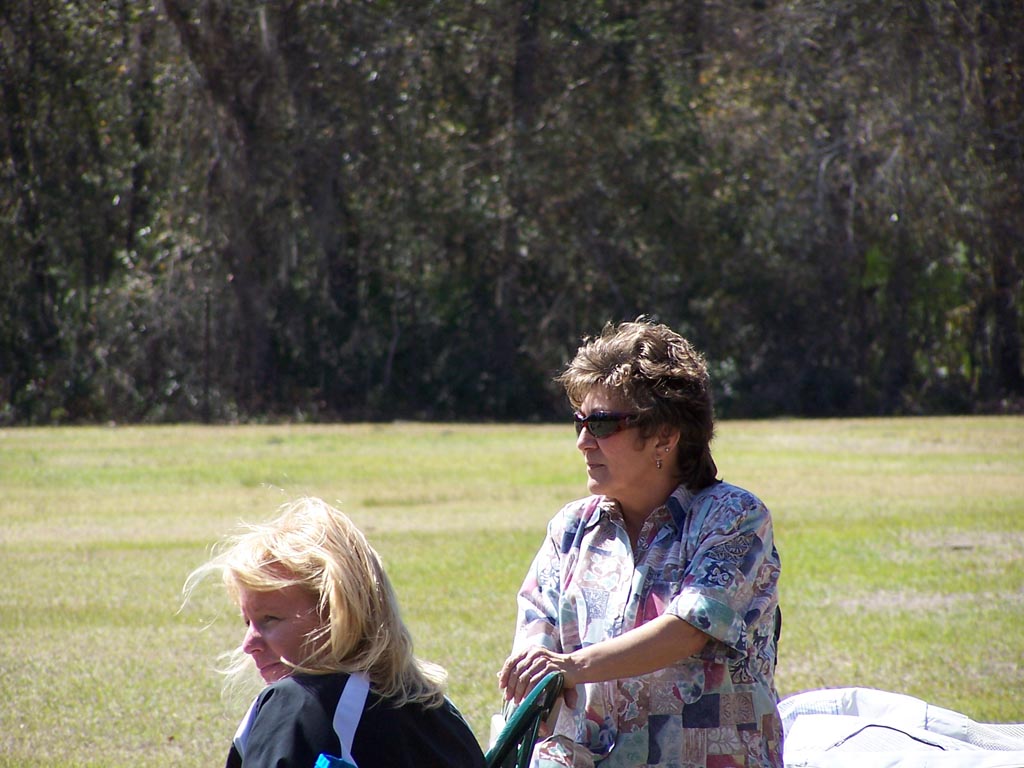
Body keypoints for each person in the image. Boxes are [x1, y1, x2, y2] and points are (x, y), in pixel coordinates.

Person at [498, 319, 783, 768]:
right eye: (579, 422)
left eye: (601, 424)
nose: (583, 441)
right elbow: (535, 647)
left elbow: (689, 628)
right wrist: (534, 670)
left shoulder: (734, 518)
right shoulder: (570, 529)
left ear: (665, 436)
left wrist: (571, 667)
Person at [185, 496, 486, 768]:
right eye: (247, 623)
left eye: (270, 619)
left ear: (338, 615)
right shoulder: (439, 712)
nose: (249, 644)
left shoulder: (298, 703)